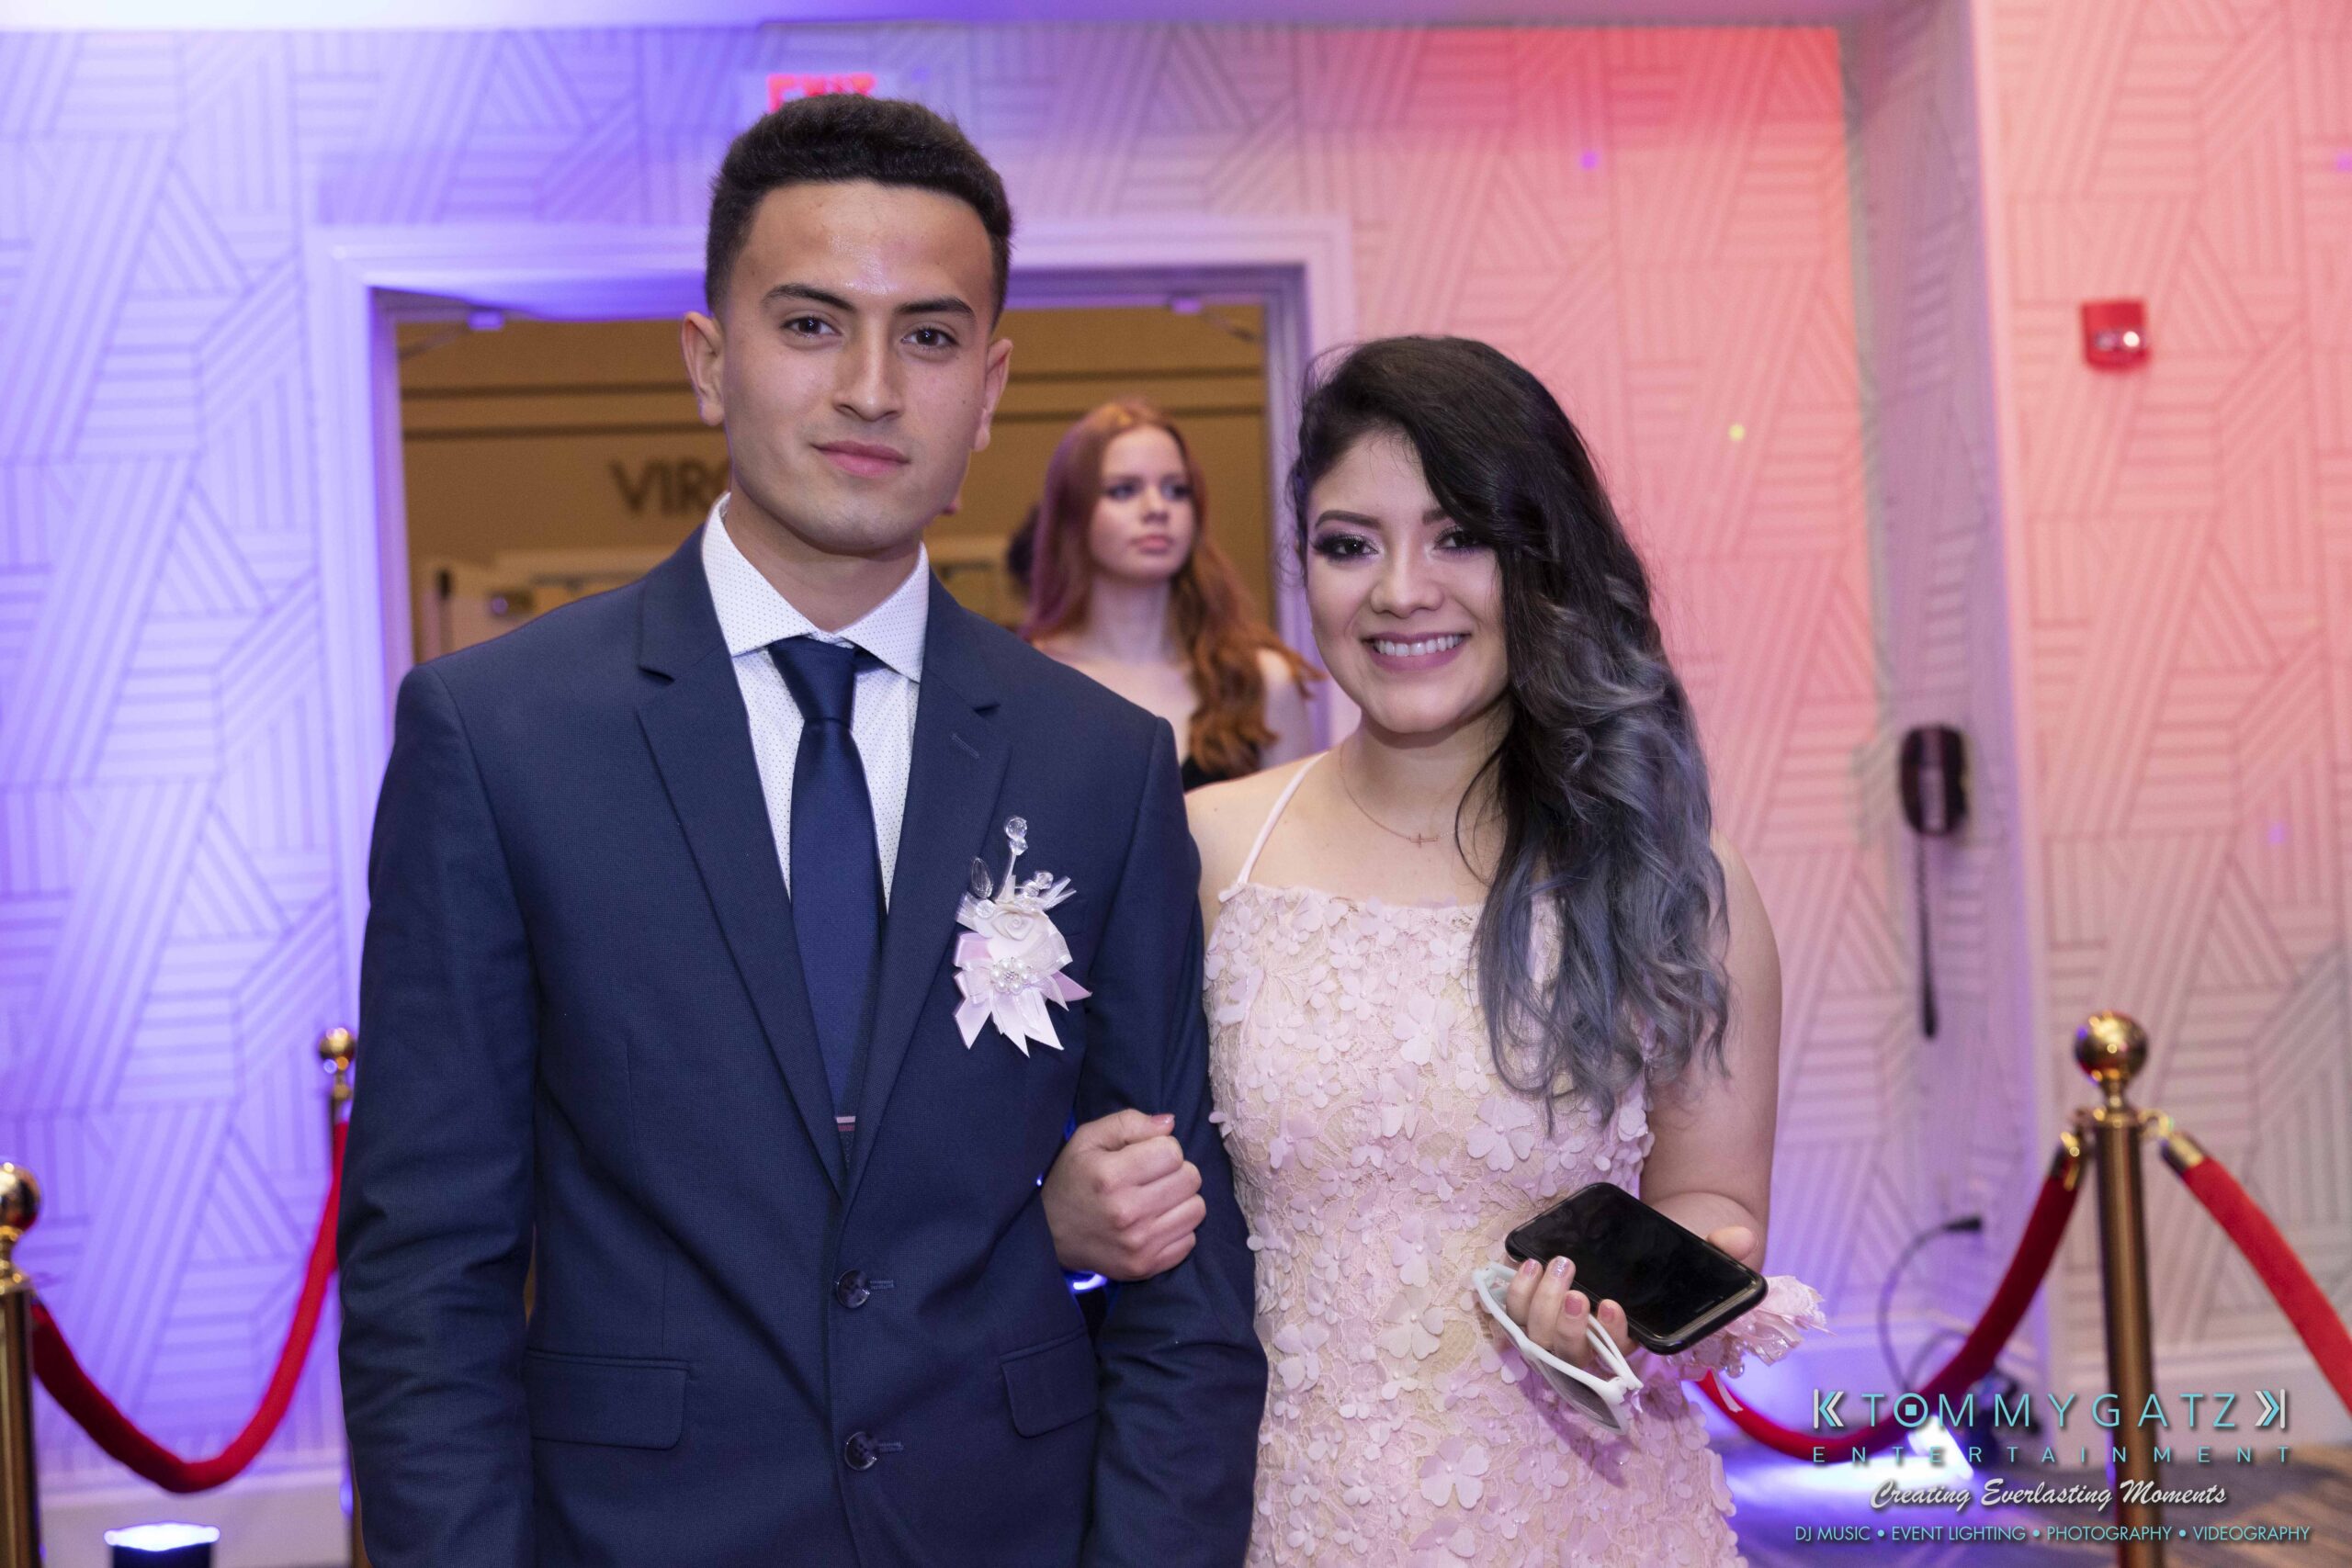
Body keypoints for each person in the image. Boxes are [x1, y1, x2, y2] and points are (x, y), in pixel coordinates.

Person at [338, 94, 1265, 1568]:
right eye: (813, 324)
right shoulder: (499, 733)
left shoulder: (1098, 760)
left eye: (931, 335)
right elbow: (426, 1269)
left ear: (991, 383)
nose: (873, 388)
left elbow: (1180, 1261)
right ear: (710, 360)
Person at [1042, 337, 1824, 1563]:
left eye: (1459, 537)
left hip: (1582, 1514)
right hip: (1286, 1511)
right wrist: (1064, 1211)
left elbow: (1714, 1199)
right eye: (1350, 545)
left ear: (1542, 558)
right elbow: (1099, 1161)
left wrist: (1624, 1305)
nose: (1402, 590)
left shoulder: (1673, 877)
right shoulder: (1207, 853)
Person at [1023, 400, 1317, 789]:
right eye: (1124, 490)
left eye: (1177, 490)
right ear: (1073, 512)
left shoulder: (1258, 682)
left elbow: (1293, 824)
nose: (1157, 508)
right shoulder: (1029, 681)